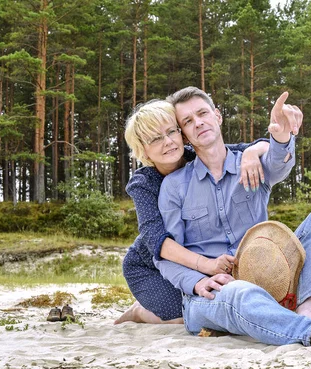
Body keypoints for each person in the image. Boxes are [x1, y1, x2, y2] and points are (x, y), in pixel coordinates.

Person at [155, 87, 311, 346]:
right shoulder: (174, 186)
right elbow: (166, 256)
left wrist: (281, 136)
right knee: (239, 292)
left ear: (217, 116)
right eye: (188, 121)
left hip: (270, 278)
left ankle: (306, 311)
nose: (198, 123)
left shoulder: (251, 163)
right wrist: (196, 283)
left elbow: (278, 162)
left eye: (203, 113)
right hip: (211, 295)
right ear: (183, 134)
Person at [115, 99, 269, 325]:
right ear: (143, 149)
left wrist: (253, 152)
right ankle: (138, 312)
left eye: (171, 132)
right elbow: (157, 241)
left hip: (194, 260)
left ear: (181, 133)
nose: (167, 142)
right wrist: (207, 265)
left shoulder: (195, 155)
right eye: (156, 139)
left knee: (211, 303)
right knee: (182, 316)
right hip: (151, 264)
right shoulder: (144, 184)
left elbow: (256, 146)